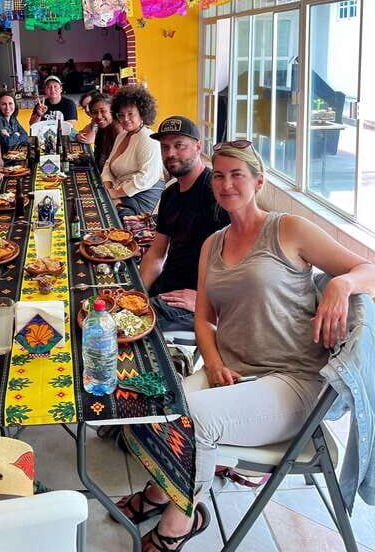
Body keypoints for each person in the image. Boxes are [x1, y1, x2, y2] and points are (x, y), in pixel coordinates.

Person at [118, 140, 375, 552]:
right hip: (234, 370)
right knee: (160, 407)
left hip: (293, 379)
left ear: (258, 181)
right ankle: (161, 491)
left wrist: (341, 285)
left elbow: (369, 268)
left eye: (237, 175)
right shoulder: (213, 244)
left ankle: (181, 520)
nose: (226, 184)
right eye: (219, 175)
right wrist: (213, 362)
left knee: (194, 421)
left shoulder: (287, 229)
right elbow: (204, 318)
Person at [141, 116, 229, 332]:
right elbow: (156, 254)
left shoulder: (217, 194)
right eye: (165, 147)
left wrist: (206, 300)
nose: (170, 153)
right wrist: (138, 292)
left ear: (198, 147)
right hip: (167, 289)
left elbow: (243, 265)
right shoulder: (170, 194)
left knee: (123, 326)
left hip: (193, 303)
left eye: (179, 145)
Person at [101, 85, 164, 218]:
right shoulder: (122, 135)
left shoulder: (148, 138)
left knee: (103, 211)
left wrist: (114, 194)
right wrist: (107, 186)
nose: (125, 119)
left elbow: (146, 178)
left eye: (130, 114)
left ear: (142, 113)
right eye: (121, 115)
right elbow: (108, 164)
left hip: (144, 196)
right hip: (120, 191)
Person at [88, 92, 121, 170]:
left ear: (111, 111)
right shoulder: (104, 126)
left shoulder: (118, 129)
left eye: (103, 111)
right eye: (95, 112)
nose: (99, 116)